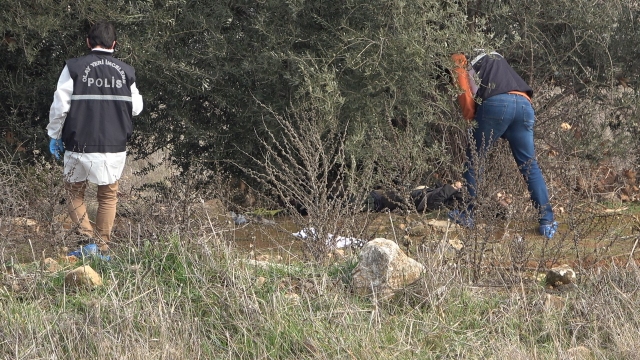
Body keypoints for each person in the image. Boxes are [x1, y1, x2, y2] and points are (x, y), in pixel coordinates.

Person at [47, 21, 143, 251]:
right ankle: (102, 248)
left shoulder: (74, 67)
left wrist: (54, 134)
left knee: (73, 192)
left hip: (79, 143)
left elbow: (60, 106)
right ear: (115, 44)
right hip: (114, 146)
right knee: (108, 197)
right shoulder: (127, 71)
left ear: (88, 42)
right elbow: (137, 107)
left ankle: (86, 242)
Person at [449, 50, 558, 239]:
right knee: (529, 165)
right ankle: (547, 222)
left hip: (497, 104)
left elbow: (466, 99)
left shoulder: (460, 58)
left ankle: (467, 215)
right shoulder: (495, 58)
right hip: (524, 105)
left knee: (475, 157)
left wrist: (472, 120)